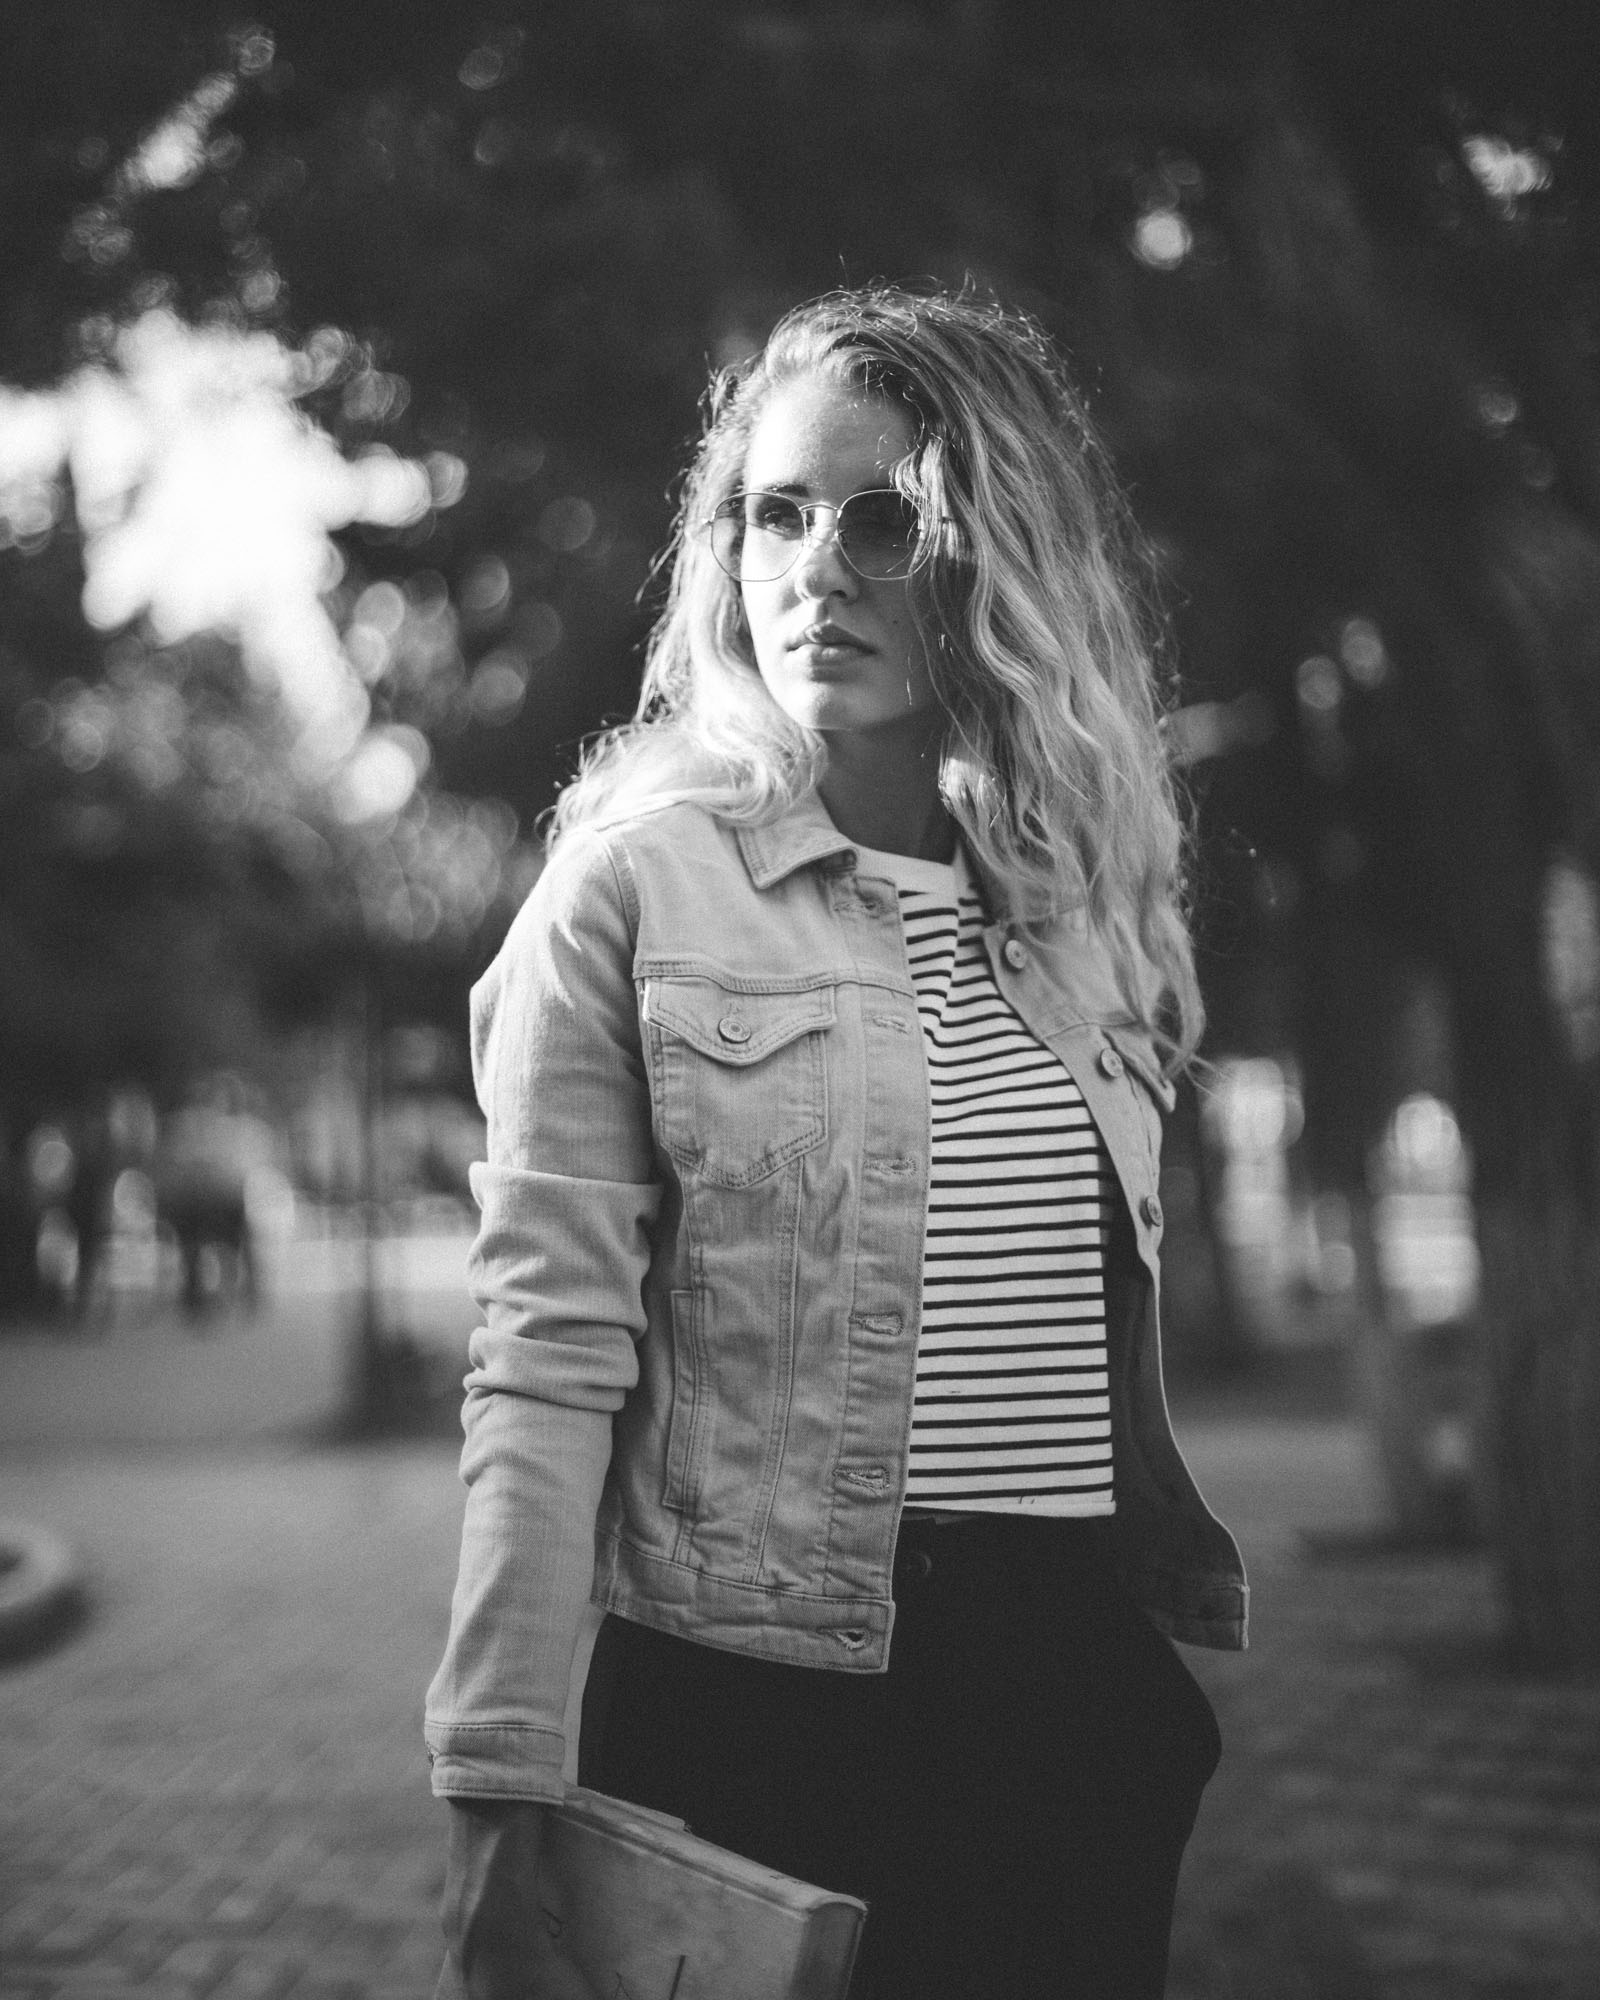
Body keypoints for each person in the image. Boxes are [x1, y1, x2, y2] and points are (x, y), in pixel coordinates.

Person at [425, 284, 1248, 2000]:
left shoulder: (1084, 903)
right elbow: (545, 1359)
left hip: (1067, 1712)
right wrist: (496, 1788)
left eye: (885, 520)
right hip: (754, 1719)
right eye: (776, 514)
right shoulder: (636, 892)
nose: (818, 568)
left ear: (995, 553)